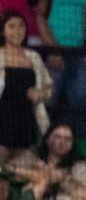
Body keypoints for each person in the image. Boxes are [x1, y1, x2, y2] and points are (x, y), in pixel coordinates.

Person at [0, 12, 51, 160]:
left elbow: (48, 86)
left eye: (21, 26)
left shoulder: (34, 57)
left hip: (26, 123)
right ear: (3, 31)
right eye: (12, 26)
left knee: (24, 173)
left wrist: (40, 94)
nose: (17, 31)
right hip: (2, 121)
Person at [44, 0, 86, 135]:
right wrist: (52, 49)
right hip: (55, 50)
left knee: (81, 104)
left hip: (78, 52)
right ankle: (40, 148)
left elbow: (85, 16)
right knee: (48, 103)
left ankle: (79, 151)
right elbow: (39, 15)